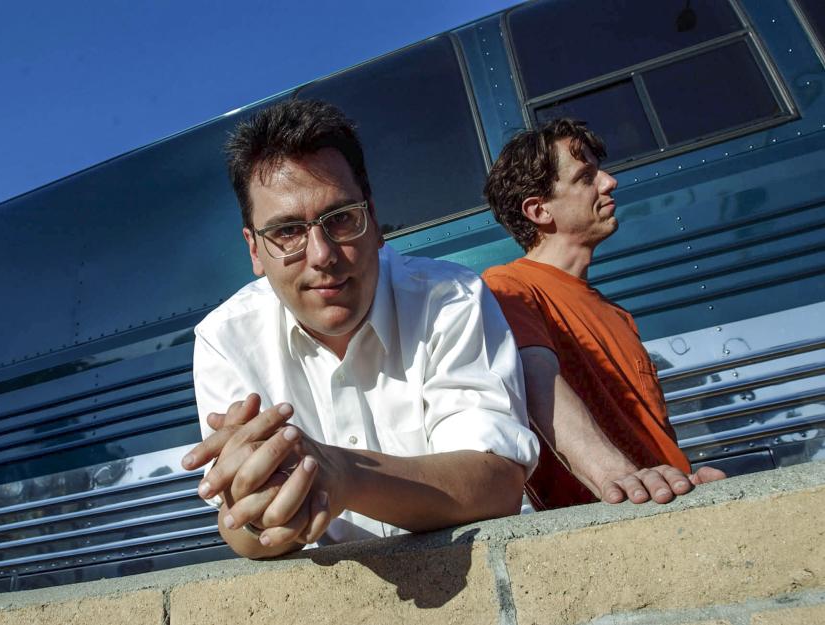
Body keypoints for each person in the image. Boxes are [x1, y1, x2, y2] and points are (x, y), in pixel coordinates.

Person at [181, 99, 539, 559]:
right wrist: (257, 505)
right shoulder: (224, 340)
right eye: (287, 231)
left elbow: (495, 483)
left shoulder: (452, 299)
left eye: (341, 219)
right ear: (254, 250)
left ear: (373, 220)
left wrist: (343, 476)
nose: (321, 254)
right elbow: (241, 531)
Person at [481, 118, 725, 510]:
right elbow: (537, 383)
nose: (610, 183)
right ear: (539, 210)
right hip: (616, 515)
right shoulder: (509, 287)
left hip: (664, 502)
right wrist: (620, 479)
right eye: (586, 177)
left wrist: (684, 481)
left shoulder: (618, 316)